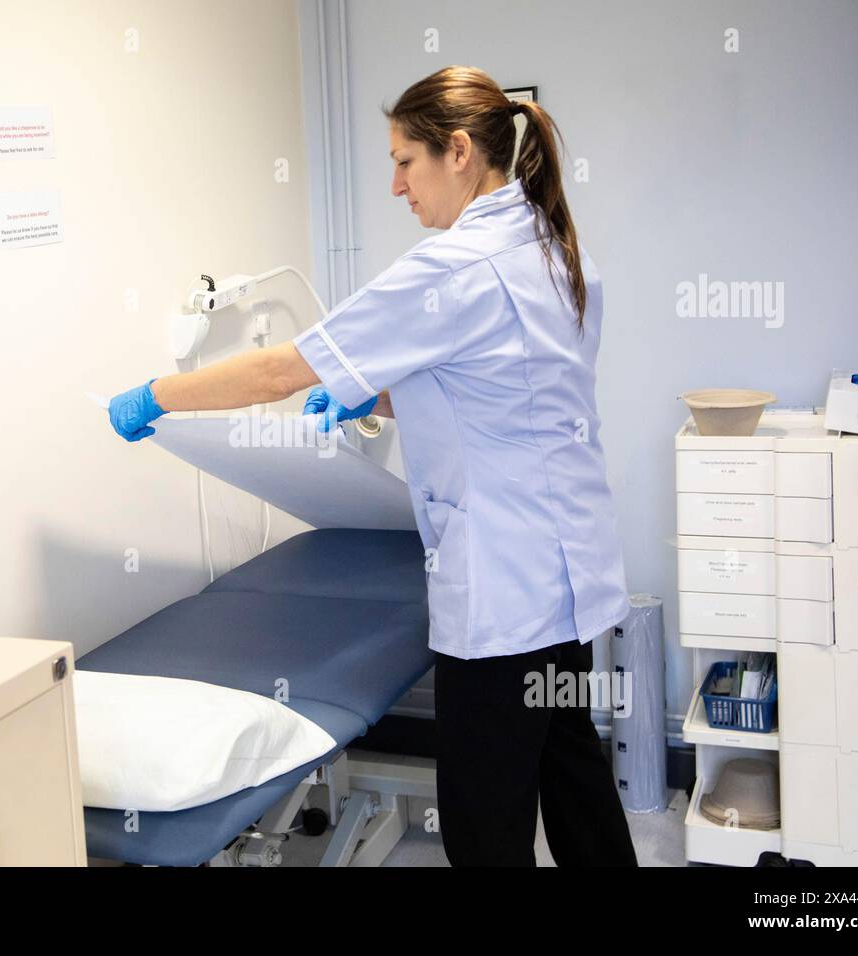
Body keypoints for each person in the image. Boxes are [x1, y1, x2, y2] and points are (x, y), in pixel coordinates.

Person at [106, 65, 637, 867]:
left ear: (458, 151)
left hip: (500, 598)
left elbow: (281, 370)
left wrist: (158, 393)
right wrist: (376, 402)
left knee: (484, 829)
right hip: (566, 586)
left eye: (404, 161)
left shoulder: (454, 268)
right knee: (571, 778)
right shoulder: (555, 246)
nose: (394, 185)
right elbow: (496, 392)